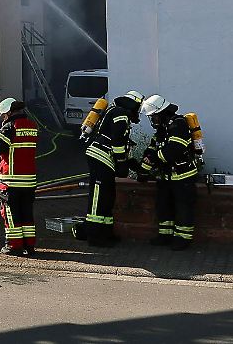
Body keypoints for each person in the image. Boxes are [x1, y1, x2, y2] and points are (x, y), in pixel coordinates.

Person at [133, 95, 200, 250]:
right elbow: (152, 148)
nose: (153, 120)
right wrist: (144, 165)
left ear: (162, 112)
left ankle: (183, 239)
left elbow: (174, 150)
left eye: (154, 116)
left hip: (183, 177)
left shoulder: (179, 124)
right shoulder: (162, 129)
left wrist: (154, 159)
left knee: (183, 208)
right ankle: (165, 235)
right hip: (166, 177)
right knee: (163, 206)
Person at [78, 90, 144, 246]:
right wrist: (121, 162)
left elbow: (122, 145)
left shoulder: (119, 112)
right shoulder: (121, 113)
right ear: (133, 104)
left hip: (105, 159)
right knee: (98, 198)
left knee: (108, 197)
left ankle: (106, 233)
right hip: (100, 157)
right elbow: (117, 140)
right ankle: (94, 236)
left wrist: (134, 165)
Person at [0, 98, 38, 255]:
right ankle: (29, 245)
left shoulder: (9, 127)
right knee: (26, 213)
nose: (3, 118)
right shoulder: (32, 126)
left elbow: (0, 147)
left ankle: (13, 246)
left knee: (11, 213)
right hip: (29, 180)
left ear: (9, 112)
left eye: (4, 115)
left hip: (11, 181)